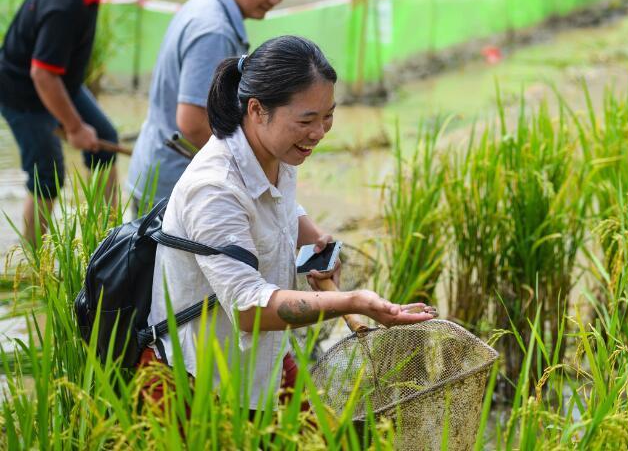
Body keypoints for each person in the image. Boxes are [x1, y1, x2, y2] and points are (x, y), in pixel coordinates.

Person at [139, 35, 437, 410]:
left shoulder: (277, 152)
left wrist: (313, 239)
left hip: (262, 363)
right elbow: (249, 311)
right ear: (257, 109)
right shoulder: (214, 189)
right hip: (200, 383)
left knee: (331, 437)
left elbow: (279, 208)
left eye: (328, 115)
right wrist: (352, 301)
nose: (319, 132)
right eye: (306, 120)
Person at [125, 0, 302, 208]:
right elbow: (194, 123)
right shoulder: (214, 30)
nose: (275, 0)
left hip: (160, 172)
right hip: (172, 187)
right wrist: (252, 169)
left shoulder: (203, 5)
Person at [0, 0, 131, 244]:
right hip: (22, 91)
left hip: (60, 83)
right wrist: (72, 126)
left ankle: (110, 242)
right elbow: (42, 74)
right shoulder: (64, 6)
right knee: (48, 172)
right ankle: (32, 264)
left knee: (104, 139)